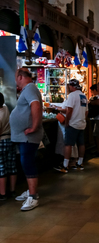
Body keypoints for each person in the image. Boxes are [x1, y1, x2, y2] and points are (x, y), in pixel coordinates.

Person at [10, 68, 43, 211]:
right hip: (24, 136)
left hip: (28, 136)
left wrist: (34, 127)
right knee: (26, 162)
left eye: (16, 77)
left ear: (21, 77)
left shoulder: (29, 88)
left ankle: (33, 196)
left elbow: (35, 106)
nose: (15, 80)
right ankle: (30, 192)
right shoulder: (28, 89)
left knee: (27, 162)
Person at [54, 79, 88, 173]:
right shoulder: (83, 96)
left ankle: (65, 166)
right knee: (81, 144)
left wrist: (67, 122)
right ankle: (79, 163)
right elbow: (86, 111)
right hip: (82, 123)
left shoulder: (72, 95)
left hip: (73, 124)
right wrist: (82, 119)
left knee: (68, 144)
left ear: (71, 86)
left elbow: (69, 110)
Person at [53, 84, 78, 162]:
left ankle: (69, 160)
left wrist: (57, 108)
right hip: (66, 122)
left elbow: (68, 110)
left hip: (66, 122)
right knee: (66, 140)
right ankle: (67, 157)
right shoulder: (71, 98)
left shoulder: (71, 97)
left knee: (68, 141)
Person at [0, 92, 17, 201]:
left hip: (1, 142)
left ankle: (2, 194)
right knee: (12, 166)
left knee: (2, 168)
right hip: (10, 140)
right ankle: (13, 190)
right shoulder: (5, 108)